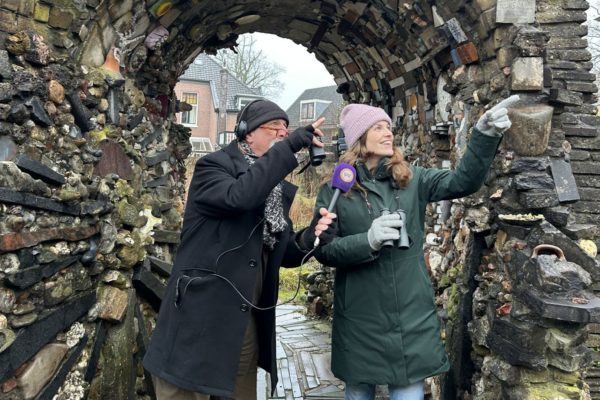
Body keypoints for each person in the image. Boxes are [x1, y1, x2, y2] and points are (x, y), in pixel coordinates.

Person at [312, 97, 519, 400]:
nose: (388, 133)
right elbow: (324, 250)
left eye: (389, 127)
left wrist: (484, 136)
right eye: (378, 127)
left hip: (410, 313)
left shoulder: (413, 179)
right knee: (358, 392)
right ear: (359, 138)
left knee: (409, 392)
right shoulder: (334, 191)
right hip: (359, 315)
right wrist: (367, 241)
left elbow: (464, 181)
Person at [143, 99, 338, 400]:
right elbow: (239, 197)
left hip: (243, 320)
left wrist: (311, 236)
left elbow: (281, 254)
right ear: (247, 133)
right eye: (274, 128)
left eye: (286, 131)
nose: (282, 135)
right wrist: (286, 151)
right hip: (200, 315)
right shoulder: (213, 167)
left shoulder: (271, 188)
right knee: (184, 393)